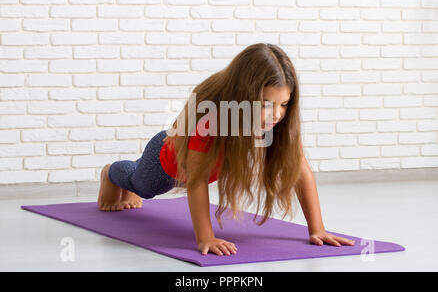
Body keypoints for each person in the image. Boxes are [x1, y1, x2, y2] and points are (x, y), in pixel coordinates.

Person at [97, 43, 355, 256]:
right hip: (167, 161)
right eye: (266, 104)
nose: (276, 114)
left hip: (199, 167)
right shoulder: (214, 120)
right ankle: (110, 174)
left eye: (284, 104)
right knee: (143, 187)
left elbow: (300, 170)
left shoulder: (277, 124)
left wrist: (317, 230)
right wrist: (206, 238)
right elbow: (196, 182)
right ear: (243, 96)